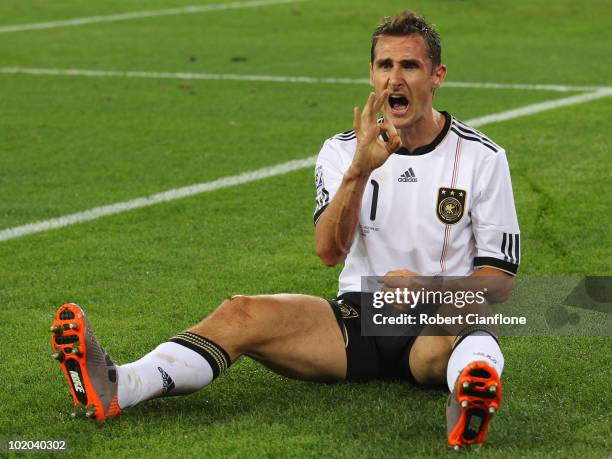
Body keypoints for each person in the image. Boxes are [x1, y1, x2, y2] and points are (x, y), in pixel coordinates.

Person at [50, 11, 520, 450]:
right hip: (358, 323)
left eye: (410, 66)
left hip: (437, 325)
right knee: (241, 314)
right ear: (372, 74)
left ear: (436, 76)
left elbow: (499, 282)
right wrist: (359, 170)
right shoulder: (341, 152)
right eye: (385, 65)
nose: (395, 78)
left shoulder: (482, 157)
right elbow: (328, 252)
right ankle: (121, 384)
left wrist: (425, 289)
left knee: (471, 314)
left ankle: (469, 394)